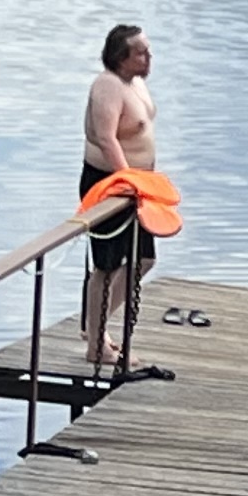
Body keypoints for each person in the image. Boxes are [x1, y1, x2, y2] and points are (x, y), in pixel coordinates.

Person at [81, 23, 157, 367]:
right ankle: (96, 344)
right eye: (140, 52)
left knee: (143, 259)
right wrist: (126, 179)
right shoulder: (107, 86)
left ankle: (94, 323)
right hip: (110, 183)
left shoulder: (135, 84)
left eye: (147, 49)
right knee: (107, 265)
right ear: (120, 57)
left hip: (139, 185)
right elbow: (106, 136)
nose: (148, 56)